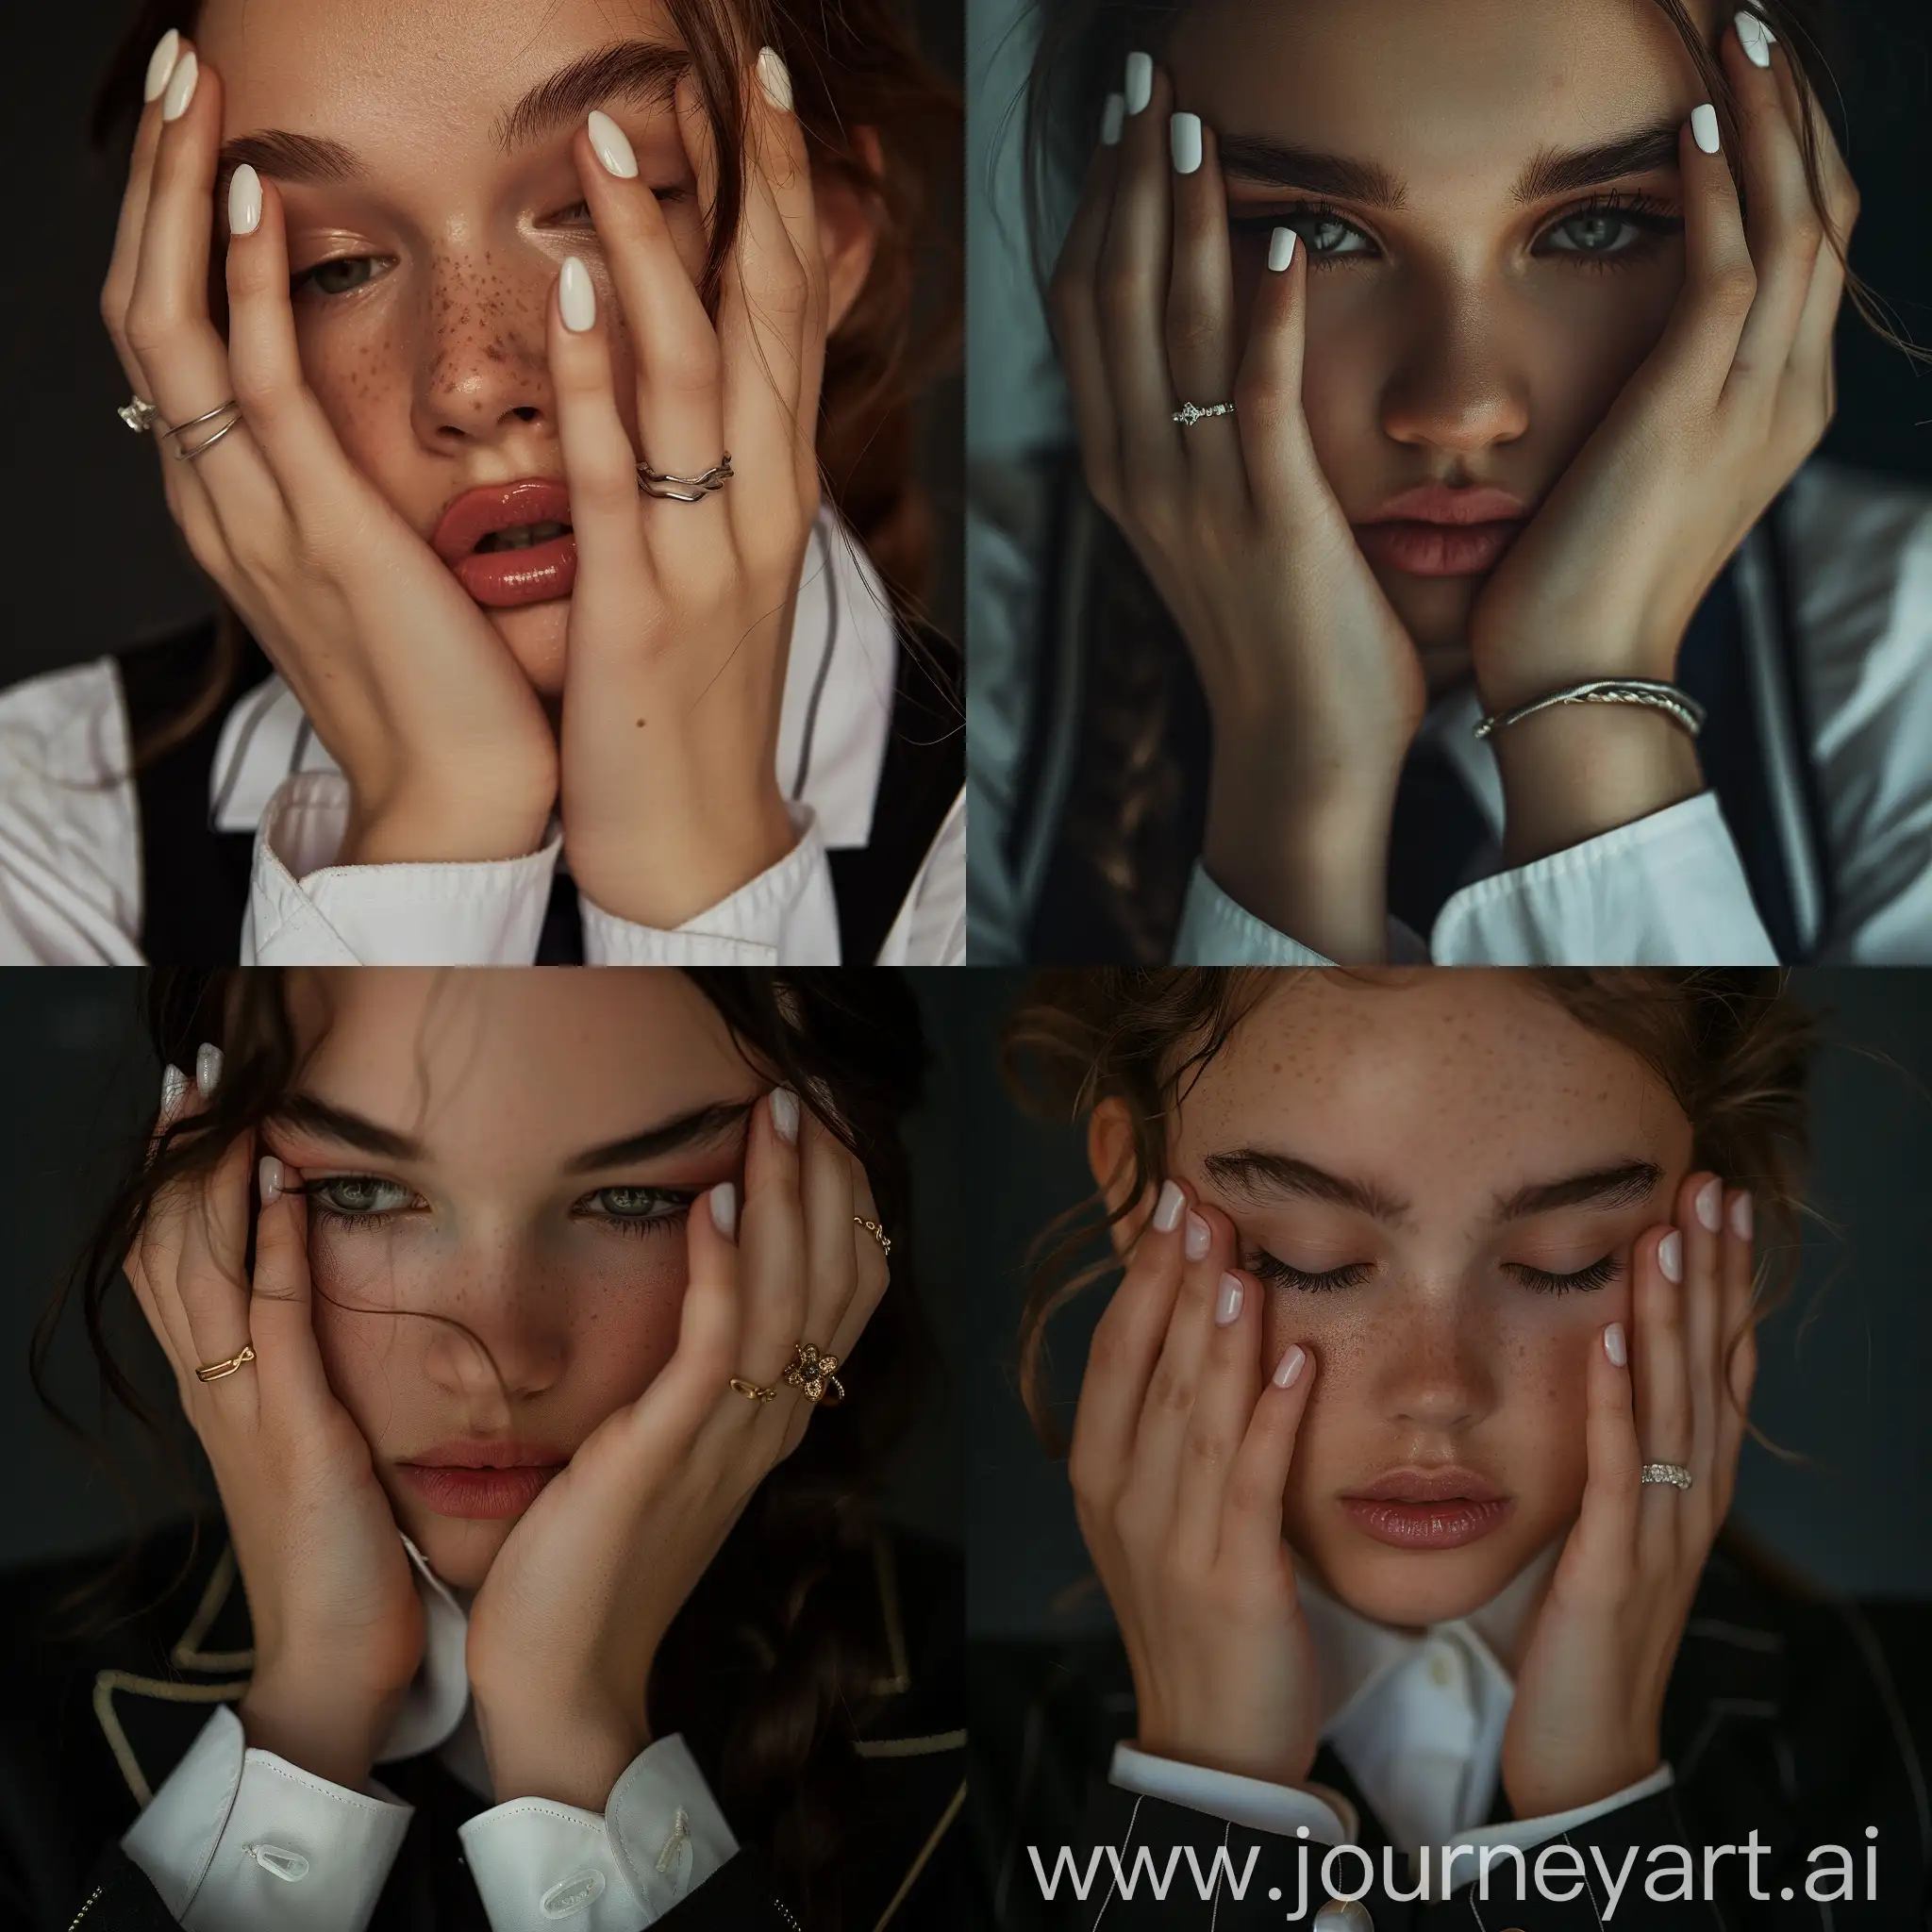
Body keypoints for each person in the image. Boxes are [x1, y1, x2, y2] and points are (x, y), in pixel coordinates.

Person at [0, 0, 963, 966]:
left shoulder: (1049, 847)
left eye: (596, 206)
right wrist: (431, 809)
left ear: (827, 233)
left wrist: (694, 868)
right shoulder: (42, 825)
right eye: (332, 270)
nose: (469, 378)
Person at [970, 0, 1932, 966]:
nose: (1461, 409)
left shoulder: (1902, 653)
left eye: (1597, 227)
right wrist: (1298, 770)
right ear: (1115, 242)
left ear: (1781, 232)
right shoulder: (956, 648)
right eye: (1310, 230)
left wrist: (1590, 701)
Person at [0, 968, 964, 1929]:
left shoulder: (1005, 1730)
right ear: (197, 1205)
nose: (491, 1358)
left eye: (633, 1200)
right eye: (360, 1190)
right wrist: (305, 1715)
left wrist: (575, 1743)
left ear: (827, 1214)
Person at [978, 967, 1932, 1927]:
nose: (1436, 1389)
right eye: (1310, 1258)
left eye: (1565, 1261)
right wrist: (1207, 1793)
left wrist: (1596, 1804)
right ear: (1137, 1193)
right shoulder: (950, 1781)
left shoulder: (1902, 1747)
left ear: (1707, 1228)